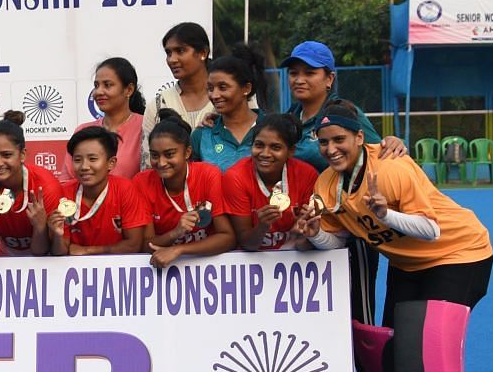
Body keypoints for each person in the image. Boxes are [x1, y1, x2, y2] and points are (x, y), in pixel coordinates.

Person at [295, 102, 493, 372]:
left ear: (359, 137)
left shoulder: (391, 168)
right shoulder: (329, 185)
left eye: (339, 139)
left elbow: (430, 229)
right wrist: (315, 234)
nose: (331, 149)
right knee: (392, 349)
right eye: (324, 142)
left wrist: (386, 215)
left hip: (459, 253)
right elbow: (338, 242)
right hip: (408, 264)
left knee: (427, 346)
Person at [281, 38, 408, 372]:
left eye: (310, 72)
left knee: (362, 331)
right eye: (294, 72)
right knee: (313, 335)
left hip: (351, 243)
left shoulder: (347, 115)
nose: (299, 79)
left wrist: (393, 141)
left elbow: (378, 155)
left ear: (329, 78)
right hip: (304, 241)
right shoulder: (289, 120)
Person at [134, 114, 237, 268]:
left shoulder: (208, 174)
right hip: (165, 268)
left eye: (169, 154)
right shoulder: (142, 182)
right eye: (155, 155)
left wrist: (179, 249)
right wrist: (175, 233)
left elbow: (227, 237)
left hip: (209, 265)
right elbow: (144, 245)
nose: (161, 163)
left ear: (187, 153)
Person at [47, 125, 150, 256]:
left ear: (111, 163)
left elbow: (133, 245)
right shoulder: (63, 194)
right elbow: (59, 252)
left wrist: (88, 251)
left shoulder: (125, 189)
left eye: (92, 159)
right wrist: (57, 235)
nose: (84, 167)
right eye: (77, 160)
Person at [222, 114, 319, 252]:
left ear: (291, 151)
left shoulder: (307, 175)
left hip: (296, 259)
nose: (265, 153)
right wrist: (262, 226)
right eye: (259, 145)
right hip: (252, 262)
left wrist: (302, 236)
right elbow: (247, 244)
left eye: (275, 147)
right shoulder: (235, 178)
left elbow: (309, 243)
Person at [0, 116, 62, 257]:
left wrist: (39, 227)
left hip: (42, 260)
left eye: (6, 155)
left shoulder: (46, 186)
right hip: (2, 256)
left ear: (22, 155)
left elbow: (41, 252)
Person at [193, 45, 267, 170]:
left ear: (246, 88)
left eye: (223, 87)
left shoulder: (272, 129)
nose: (214, 95)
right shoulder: (202, 135)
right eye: (210, 88)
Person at [73, 57, 148, 177]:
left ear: (129, 90)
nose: (98, 92)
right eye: (96, 85)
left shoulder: (146, 127)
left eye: (107, 85)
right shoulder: (83, 131)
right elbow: (67, 180)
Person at [152, 23, 220, 129]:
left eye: (180, 51)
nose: (172, 59)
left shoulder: (230, 96)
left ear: (203, 52)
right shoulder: (159, 104)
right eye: (169, 53)